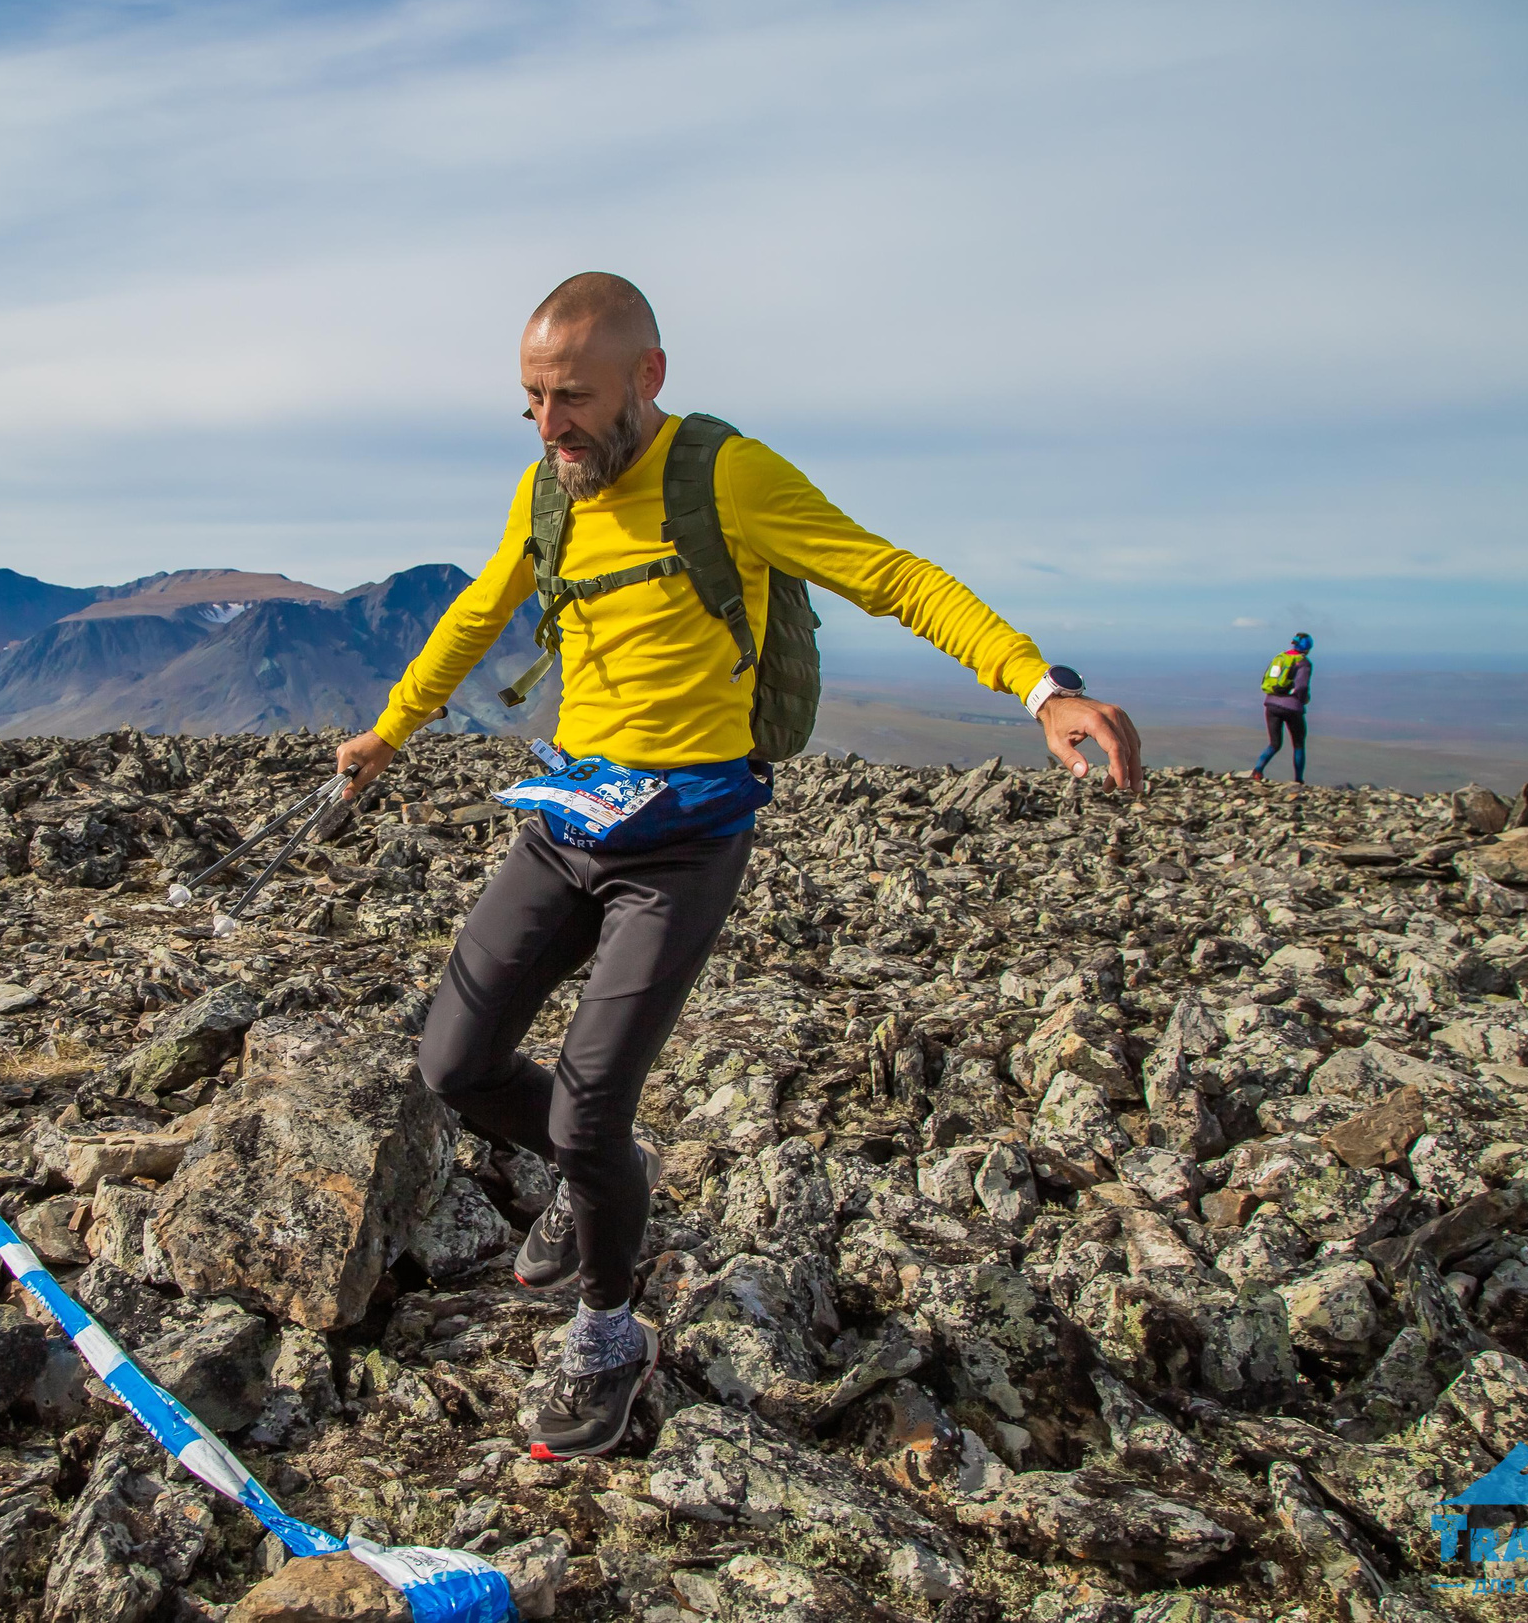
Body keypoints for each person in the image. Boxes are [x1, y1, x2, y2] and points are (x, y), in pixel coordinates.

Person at [332, 274, 1143, 1461]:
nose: (549, 427)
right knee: (454, 1063)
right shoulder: (548, 489)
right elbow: (479, 610)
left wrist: (1039, 688)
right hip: (568, 817)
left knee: (597, 1097)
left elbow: (894, 576)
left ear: (648, 379)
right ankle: (596, 1171)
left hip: (687, 838)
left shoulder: (729, 480)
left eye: (572, 399)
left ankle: (608, 1337)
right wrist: (389, 731)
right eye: (531, 401)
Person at [1251, 632, 1312, 784]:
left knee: (1274, 743)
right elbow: (1302, 686)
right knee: (1298, 744)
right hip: (1292, 707)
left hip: (1271, 704)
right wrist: (1304, 699)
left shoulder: (1281, 657)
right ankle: (1298, 779)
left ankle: (1257, 770)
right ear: (1308, 647)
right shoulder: (1303, 662)